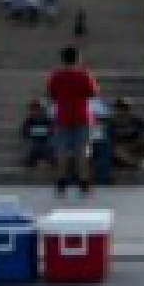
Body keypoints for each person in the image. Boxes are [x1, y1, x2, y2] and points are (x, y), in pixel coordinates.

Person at [45, 46, 99, 197]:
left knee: (61, 151)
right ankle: (84, 184)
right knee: (82, 151)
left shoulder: (55, 76)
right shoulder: (84, 75)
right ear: (78, 58)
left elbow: (51, 93)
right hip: (82, 116)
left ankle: (61, 183)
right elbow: (93, 92)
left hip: (62, 116)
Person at [107, 97, 144, 171]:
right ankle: (138, 164)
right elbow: (108, 141)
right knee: (117, 150)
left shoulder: (136, 121)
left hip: (135, 147)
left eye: (124, 109)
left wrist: (137, 143)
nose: (121, 111)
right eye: (119, 109)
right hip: (119, 150)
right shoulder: (110, 123)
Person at [20, 98, 56, 172]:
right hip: (35, 143)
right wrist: (40, 131)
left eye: (36, 109)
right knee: (34, 146)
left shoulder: (46, 119)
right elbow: (25, 132)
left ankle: (47, 159)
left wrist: (35, 131)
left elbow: (52, 130)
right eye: (33, 109)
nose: (34, 111)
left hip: (46, 143)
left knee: (46, 146)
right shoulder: (29, 120)